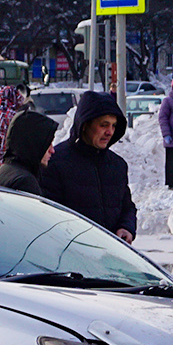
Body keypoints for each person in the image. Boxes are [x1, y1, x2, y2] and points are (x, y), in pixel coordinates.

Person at [40, 89, 136, 241]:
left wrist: (126, 227)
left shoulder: (117, 165)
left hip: (112, 252)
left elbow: (127, 207)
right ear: (85, 125)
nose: (110, 132)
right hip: (73, 253)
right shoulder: (56, 161)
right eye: (104, 125)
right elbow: (50, 215)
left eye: (113, 126)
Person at [0, 109, 58, 195]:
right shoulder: (25, 182)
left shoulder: (6, 170)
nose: (52, 150)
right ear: (34, 144)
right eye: (48, 144)